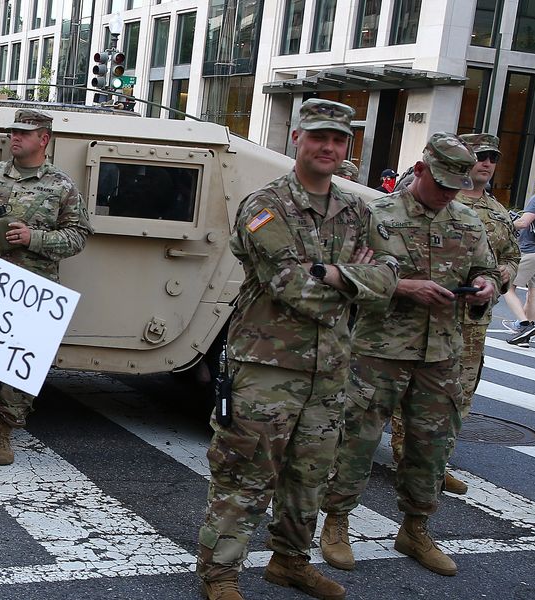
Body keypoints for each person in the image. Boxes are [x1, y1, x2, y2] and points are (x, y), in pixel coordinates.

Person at [194, 100, 396, 600]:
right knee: (246, 471)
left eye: (339, 140)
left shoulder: (356, 210)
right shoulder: (266, 207)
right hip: (265, 367)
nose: (329, 147)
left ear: (348, 147)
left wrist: (332, 272)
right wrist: (357, 278)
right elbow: (291, 286)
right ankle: (220, 573)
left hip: (329, 369)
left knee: (310, 475)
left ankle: (289, 561)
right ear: (297, 140)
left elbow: (391, 278)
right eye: (318, 137)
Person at [319, 133, 499, 579]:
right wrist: (400, 287)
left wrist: (486, 288)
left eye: (455, 188)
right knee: (355, 441)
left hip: (441, 354)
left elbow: (487, 268)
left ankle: (416, 528)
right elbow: (339, 273)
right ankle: (336, 523)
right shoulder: (372, 214)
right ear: (419, 171)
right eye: (441, 184)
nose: (447, 195)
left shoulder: (467, 221)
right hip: (378, 349)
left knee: (431, 449)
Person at [0, 108, 92, 467]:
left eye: (24, 133)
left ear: (44, 139)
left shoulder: (60, 186)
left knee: (19, 368)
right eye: (13, 132)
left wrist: (33, 237)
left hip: (34, 293)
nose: (15, 137)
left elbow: (78, 236)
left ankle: (4, 435)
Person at [387, 133, 519, 496]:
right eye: (481, 156)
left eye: (494, 157)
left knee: (457, 395)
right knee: (405, 390)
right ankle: (404, 453)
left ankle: (436, 461)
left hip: (471, 323)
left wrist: (500, 276)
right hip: (419, 317)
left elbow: (509, 257)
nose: (487, 163)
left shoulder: (497, 212)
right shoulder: (436, 198)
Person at [506, 178, 535, 346]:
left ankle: (524, 324)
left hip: (529, 250)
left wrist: (506, 224)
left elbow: (524, 222)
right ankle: (528, 335)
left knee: (507, 287)